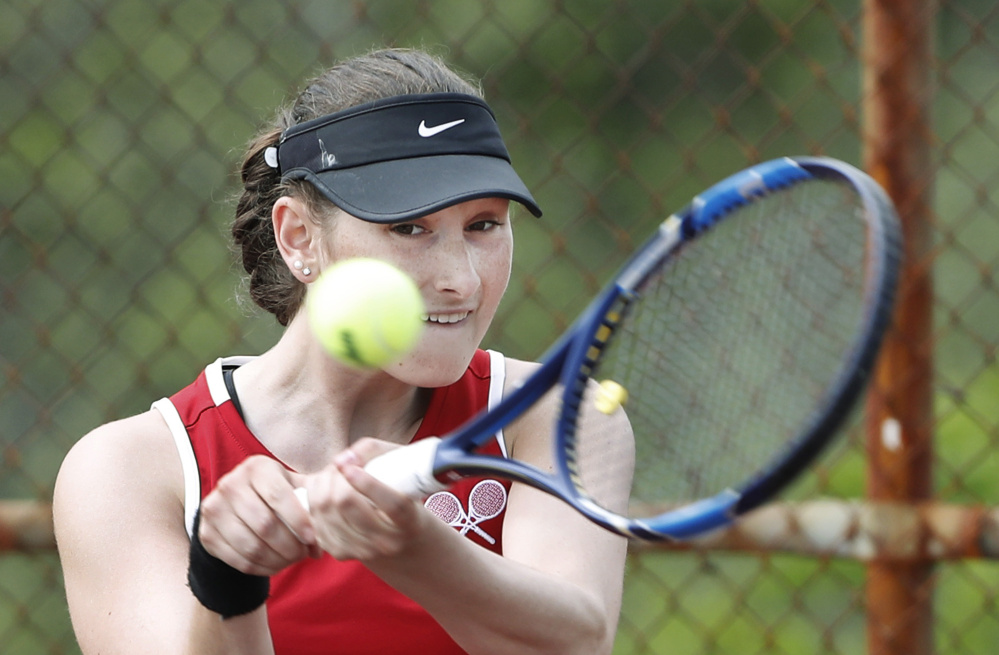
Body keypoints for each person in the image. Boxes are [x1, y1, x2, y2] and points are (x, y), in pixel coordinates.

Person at [54, 47, 633, 655]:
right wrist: (227, 584)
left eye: (484, 224)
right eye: (409, 228)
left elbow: (572, 644)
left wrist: (411, 545)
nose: (461, 280)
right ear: (299, 237)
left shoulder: (558, 416)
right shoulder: (131, 469)